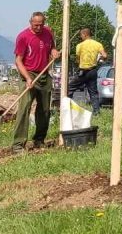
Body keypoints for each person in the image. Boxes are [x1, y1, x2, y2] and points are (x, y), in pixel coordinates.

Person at [12, 11, 59, 153]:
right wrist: (27, 78)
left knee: (44, 110)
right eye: (36, 25)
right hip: (29, 74)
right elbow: (18, 60)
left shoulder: (48, 33)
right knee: (24, 107)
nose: (39, 27)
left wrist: (54, 51)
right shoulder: (23, 37)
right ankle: (18, 144)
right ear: (30, 23)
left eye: (41, 24)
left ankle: (39, 140)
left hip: (44, 74)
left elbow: (52, 47)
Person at [68, 27, 107, 115]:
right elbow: (104, 55)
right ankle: (96, 112)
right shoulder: (98, 44)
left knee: (70, 88)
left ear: (85, 34)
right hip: (93, 71)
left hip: (83, 71)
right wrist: (100, 58)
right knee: (93, 92)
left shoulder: (80, 45)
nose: (80, 37)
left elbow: (78, 59)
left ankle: (67, 106)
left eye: (81, 35)